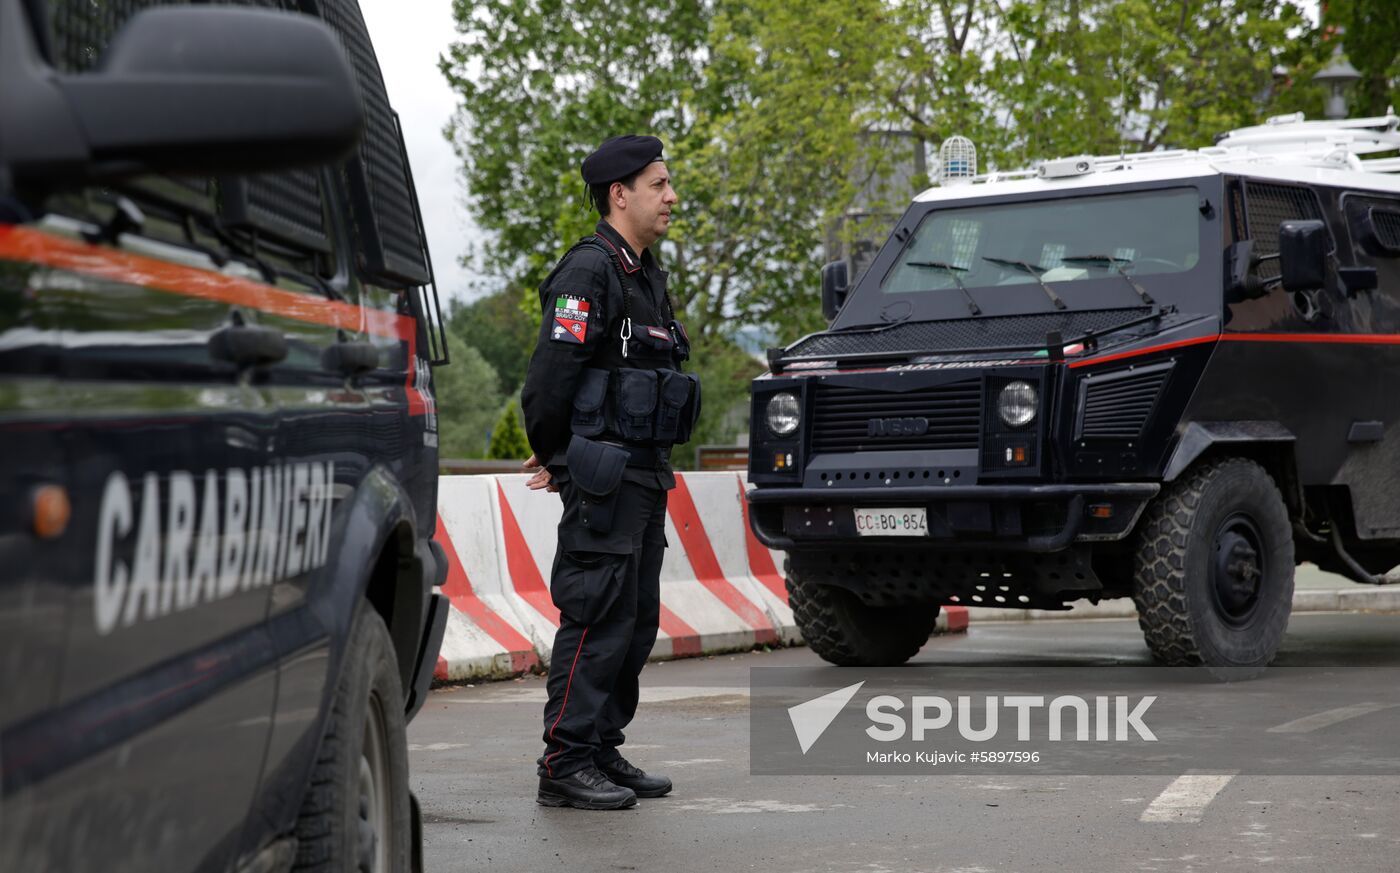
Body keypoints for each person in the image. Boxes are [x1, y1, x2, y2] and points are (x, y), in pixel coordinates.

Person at [520, 134, 699, 810]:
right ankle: (564, 759)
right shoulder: (588, 272)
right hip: (605, 479)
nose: (671, 196)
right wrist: (566, 458)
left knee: (635, 619)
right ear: (619, 194)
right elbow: (548, 384)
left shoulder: (645, 273)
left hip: (645, 476)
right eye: (659, 184)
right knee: (596, 615)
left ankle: (598, 744)